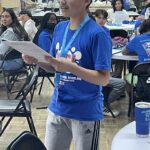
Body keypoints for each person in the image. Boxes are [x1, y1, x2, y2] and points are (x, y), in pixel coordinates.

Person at [22, 0, 112, 149]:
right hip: (57, 107)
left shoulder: (98, 34)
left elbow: (103, 79)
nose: (62, 1)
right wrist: (35, 60)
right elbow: (54, 66)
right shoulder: (60, 28)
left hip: (85, 112)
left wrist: (72, 67)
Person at [95, 9, 126, 117]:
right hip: (97, 69)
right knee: (121, 83)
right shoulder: (93, 31)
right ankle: (103, 105)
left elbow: (107, 46)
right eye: (99, 18)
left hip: (105, 64)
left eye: (104, 18)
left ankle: (105, 99)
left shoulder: (106, 30)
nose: (101, 20)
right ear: (94, 18)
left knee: (117, 73)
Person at [122, 18, 150, 96]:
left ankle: (133, 99)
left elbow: (124, 52)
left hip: (143, 73)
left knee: (127, 78)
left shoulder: (137, 39)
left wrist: (138, 50)